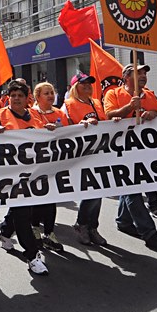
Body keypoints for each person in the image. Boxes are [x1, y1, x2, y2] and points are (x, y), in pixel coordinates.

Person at [0, 80, 57, 275]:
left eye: (20, 96)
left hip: (32, 176)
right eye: (13, 96)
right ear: (8, 98)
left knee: (23, 210)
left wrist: (49, 131)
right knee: (23, 214)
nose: (16, 99)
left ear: (27, 98)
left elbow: (43, 140)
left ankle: (4, 231)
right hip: (9, 177)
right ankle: (32, 255)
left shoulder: (35, 117)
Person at [103, 64, 157, 248]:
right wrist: (129, 107)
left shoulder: (148, 94)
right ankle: (148, 232)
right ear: (126, 77)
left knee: (132, 186)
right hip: (121, 150)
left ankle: (123, 222)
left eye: (144, 73)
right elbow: (109, 115)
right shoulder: (113, 94)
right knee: (133, 188)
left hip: (143, 150)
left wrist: (153, 113)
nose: (143, 76)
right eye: (138, 73)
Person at [61, 72, 108, 246]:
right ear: (75, 87)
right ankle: (83, 224)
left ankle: (91, 226)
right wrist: (79, 126)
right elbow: (63, 129)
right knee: (91, 191)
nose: (88, 86)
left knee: (99, 190)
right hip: (80, 154)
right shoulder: (68, 105)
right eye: (83, 84)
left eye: (90, 83)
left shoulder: (96, 103)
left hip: (100, 152)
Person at [29, 81, 68, 250]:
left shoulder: (60, 113)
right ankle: (35, 229)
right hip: (36, 164)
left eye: (52, 92)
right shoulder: (31, 113)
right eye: (46, 93)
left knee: (52, 199)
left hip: (55, 164)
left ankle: (49, 233)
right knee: (38, 198)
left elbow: (69, 133)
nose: (51, 96)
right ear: (37, 96)